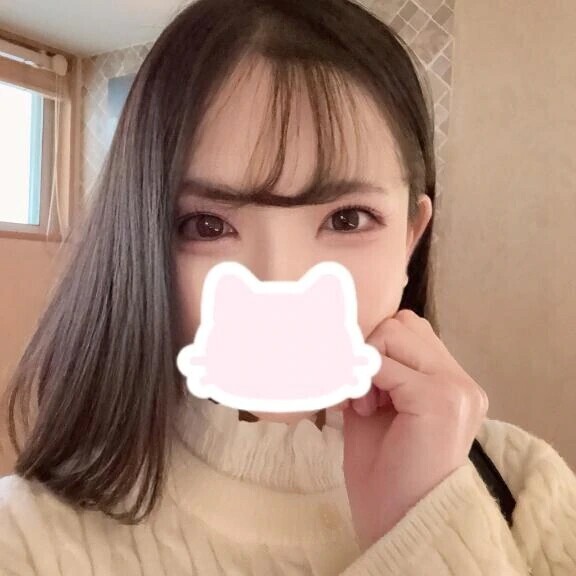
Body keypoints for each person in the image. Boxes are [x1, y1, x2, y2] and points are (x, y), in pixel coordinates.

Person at [1, 0, 575, 573]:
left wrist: (428, 520)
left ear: (410, 238)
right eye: (208, 226)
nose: (279, 283)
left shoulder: (528, 489)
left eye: (347, 219)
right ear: (141, 241)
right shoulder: (25, 540)